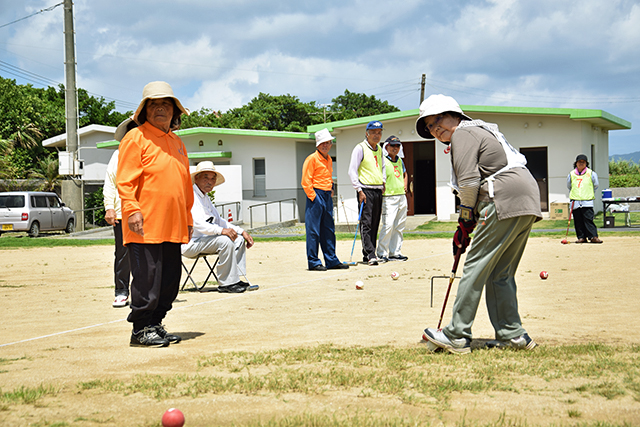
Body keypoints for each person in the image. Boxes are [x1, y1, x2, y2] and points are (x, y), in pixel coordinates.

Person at [417, 94, 542, 354]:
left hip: (503, 197)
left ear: (455, 114)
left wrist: (465, 219)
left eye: (437, 120)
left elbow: (470, 182)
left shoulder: (463, 133)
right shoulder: (480, 130)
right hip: (526, 197)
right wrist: (469, 219)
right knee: (500, 272)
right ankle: (513, 335)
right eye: (429, 127)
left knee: (475, 265)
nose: (435, 129)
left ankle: (456, 334)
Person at [117, 81, 193, 348]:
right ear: (144, 111)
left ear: (174, 112)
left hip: (173, 224)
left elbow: (185, 186)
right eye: (153, 104)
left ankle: (155, 324)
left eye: (166, 104)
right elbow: (124, 181)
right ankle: (140, 329)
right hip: (144, 224)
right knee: (147, 278)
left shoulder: (178, 143)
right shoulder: (135, 138)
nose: (160, 108)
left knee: (170, 280)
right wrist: (132, 210)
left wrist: (188, 218)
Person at [182, 161, 255, 292]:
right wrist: (222, 231)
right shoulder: (191, 196)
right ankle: (226, 283)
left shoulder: (205, 197)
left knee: (237, 239)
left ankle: (235, 278)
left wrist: (241, 231)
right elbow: (197, 224)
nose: (210, 182)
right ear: (196, 178)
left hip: (206, 240)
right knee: (225, 240)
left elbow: (219, 220)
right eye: (206, 177)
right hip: (190, 243)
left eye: (213, 178)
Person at [301, 129, 349, 271]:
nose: (326, 145)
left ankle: (331, 260)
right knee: (313, 230)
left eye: (328, 143)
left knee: (328, 229)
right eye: (323, 143)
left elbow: (328, 175)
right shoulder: (311, 159)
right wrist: (314, 197)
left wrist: (331, 187)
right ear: (317, 144)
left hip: (327, 194)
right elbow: (305, 181)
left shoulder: (328, 159)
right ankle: (314, 262)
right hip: (315, 194)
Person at [104, 117, 138, 308]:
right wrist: (109, 207)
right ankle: (121, 291)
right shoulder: (118, 155)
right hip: (121, 212)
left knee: (147, 254)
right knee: (123, 254)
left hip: (146, 212)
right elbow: (110, 182)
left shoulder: (150, 153)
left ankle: (143, 291)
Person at [348, 120, 386, 266]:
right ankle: (370, 253)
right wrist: (358, 189)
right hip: (365, 190)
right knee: (366, 223)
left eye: (379, 132)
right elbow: (352, 170)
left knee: (375, 222)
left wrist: (383, 182)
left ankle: (369, 253)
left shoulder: (380, 149)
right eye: (374, 132)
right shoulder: (360, 148)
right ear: (367, 133)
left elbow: (382, 167)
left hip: (377, 190)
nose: (377, 135)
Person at [376, 135, 409, 262]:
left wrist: (405, 184)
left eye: (397, 146)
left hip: (401, 195)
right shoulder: (382, 160)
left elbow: (405, 173)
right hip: (388, 197)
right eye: (392, 145)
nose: (395, 148)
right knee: (388, 225)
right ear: (387, 146)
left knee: (399, 225)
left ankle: (395, 252)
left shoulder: (400, 160)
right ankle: (382, 253)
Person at [567, 154, 603, 243]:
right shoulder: (571, 174)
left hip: (587, 201)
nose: (581, 164)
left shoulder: (591, 173)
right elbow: (569, 186)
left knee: (588, 220)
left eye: (583, 162)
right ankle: (581, 237)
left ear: (586, 163)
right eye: (579, 162)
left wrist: (589, 192)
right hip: (575, 201)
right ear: (576, 163)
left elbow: (596, 185)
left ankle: (593, 236)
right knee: (578, 221)